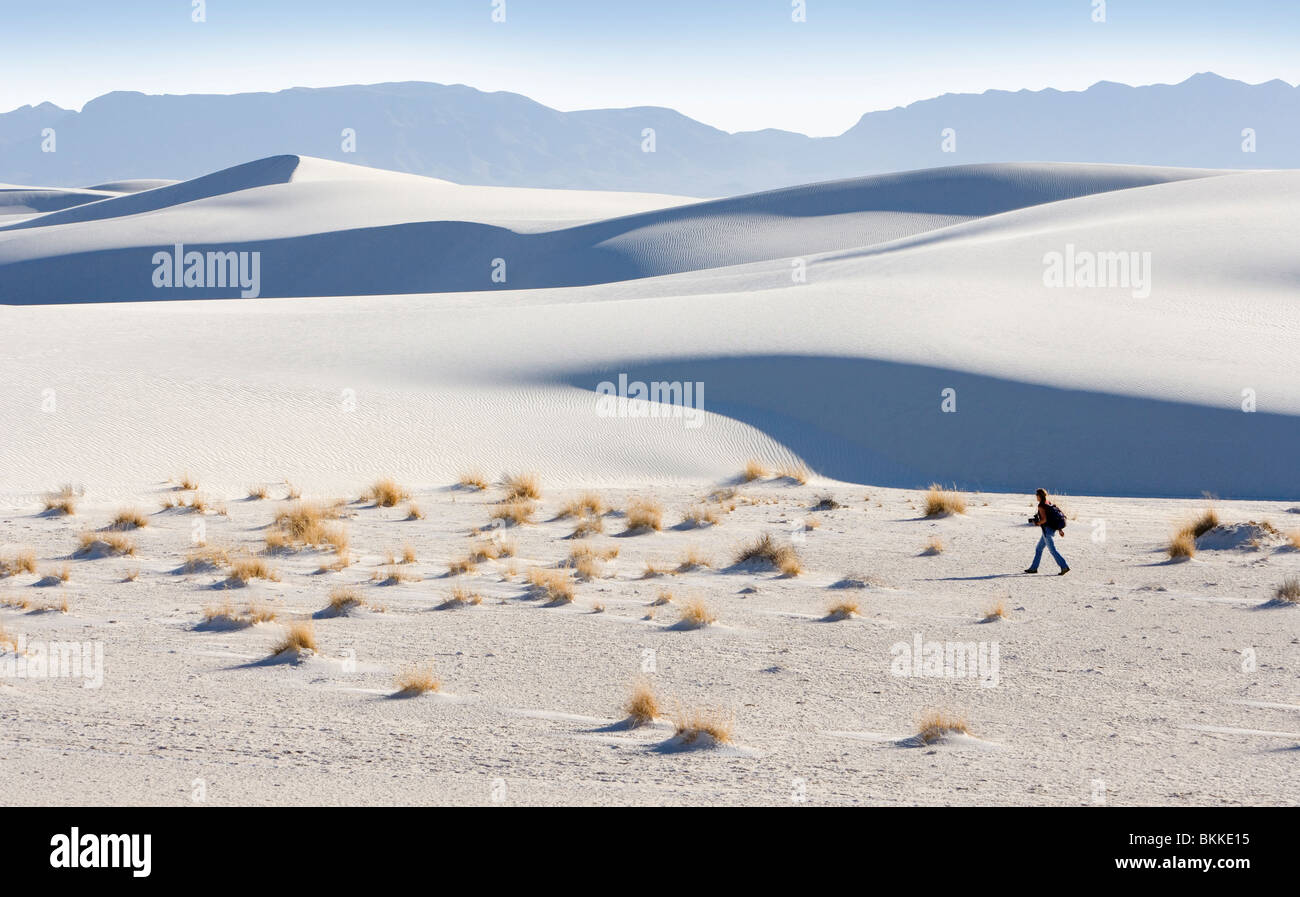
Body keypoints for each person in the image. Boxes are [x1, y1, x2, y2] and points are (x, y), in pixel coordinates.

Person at [1025, 488, 1069, 575]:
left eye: (1036, 495)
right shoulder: (1048, 503)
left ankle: (1064, 566)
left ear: (1039, 496)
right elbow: (1053, 517)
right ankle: (1033, 568)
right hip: (1051, 529)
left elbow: (1044, 519)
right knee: (1038, 549)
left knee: (1052, 550)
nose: (1036, 497)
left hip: (1047, 530)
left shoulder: (1041, 505)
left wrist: (1037, 523)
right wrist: (1060, 529)